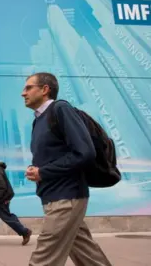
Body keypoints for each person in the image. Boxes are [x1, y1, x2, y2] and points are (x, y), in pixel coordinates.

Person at [22, 72, 112, 265]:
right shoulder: (39, 119)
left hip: (66, 198)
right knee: (89, 257)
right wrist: (36, 169)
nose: (23, 93)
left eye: (28, 87)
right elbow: (56, 154)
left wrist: (43, 172)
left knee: (43, 259)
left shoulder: (60, 109)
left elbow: (84, 152)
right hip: (55, 195)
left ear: (45, 90)